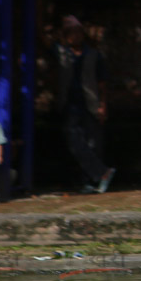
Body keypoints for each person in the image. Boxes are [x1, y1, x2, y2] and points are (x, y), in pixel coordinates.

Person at [49, 14, 114, 194]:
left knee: (92, 143)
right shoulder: (62, 53)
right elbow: (42, 37)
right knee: (74, 141)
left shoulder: (93, 55)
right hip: (69, 104)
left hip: (90, 103)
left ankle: (91, 181)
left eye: (77, 32)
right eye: (70, 33)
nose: (74, 36)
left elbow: (102, 83)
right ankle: (101, 173)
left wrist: (103, 104)